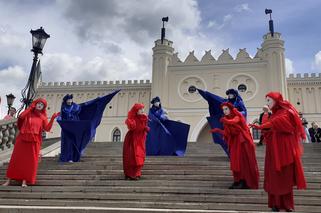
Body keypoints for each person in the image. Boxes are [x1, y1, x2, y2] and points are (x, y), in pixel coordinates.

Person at [250, 92, 306, 212]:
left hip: (284, 150)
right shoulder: (273, 114)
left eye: (269, 101)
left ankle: (287, 205)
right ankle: (275, 204)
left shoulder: (285, 112)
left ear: (276, 101)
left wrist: (263, 126)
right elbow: (271, 128)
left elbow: (282, 122)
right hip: (273, 150)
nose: (267, 103)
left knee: (285, 177)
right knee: (274, 177)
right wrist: (265, 129)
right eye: (266, 101)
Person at [2, 99, 59, 187]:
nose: (40, 105)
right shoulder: (28, 113)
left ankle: (24, 180)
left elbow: (47, 128)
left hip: (34, 141)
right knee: (16, 159)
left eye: (42, 105)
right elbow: (21, 117)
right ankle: (9, 180)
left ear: (43, 107)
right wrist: (30, 107)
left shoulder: (43, 117)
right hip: (22, 139)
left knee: (29, 162)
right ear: (35, 104)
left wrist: (52, 118)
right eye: (38, 103)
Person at [57, 90, 120, 162]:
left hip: (75, 127)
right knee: (67, 143)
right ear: (65, 101)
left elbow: (86, 104)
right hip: (67, 128)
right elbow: (61, 116)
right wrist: (58, 119)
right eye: (68, 100)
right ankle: (67, 157)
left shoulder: (76, 107)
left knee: (74, 142)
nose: (70, 101)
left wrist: (96, 100)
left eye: (70, 99)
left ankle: (72, 157)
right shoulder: (64, 108)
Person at [210, 102, 259, 189]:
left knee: (242, 161)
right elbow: (227, 133)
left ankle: (244, 181)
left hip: (242, 142)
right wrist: (218, 130)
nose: (224, 111)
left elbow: (234, 121)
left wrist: (226, 121)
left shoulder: (237, 115)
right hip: (234, 143)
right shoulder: (226, 119)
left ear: (230, 109)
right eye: (223, 110)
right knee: (235, 161)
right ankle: (237, 180)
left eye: (226, 109)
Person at [197, 88, 247, 157]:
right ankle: (232, 153)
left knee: (236, 140)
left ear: (235, 95)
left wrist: (237, 113)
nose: (229, 95)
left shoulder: (239, 102)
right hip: (228, 125)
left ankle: (238, 154)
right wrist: (205, 94)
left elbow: (244, 111)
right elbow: (215, 99)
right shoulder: (226, 102)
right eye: (228, 94)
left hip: (236, 124)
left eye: (231, 94)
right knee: (227, 138)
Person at [123, 103, 149, 180]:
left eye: (143, 109)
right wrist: (131, 123)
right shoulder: (132, 118)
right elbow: (132, 127)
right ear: (136, 110)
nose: (142, 110)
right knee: (131, 157)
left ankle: (137, 173)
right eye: (140, 109)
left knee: (140, 156)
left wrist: (145, 128)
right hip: (132, 140)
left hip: (140, 139)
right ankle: (130, 174)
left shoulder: (144, 118)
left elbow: (143, 126)